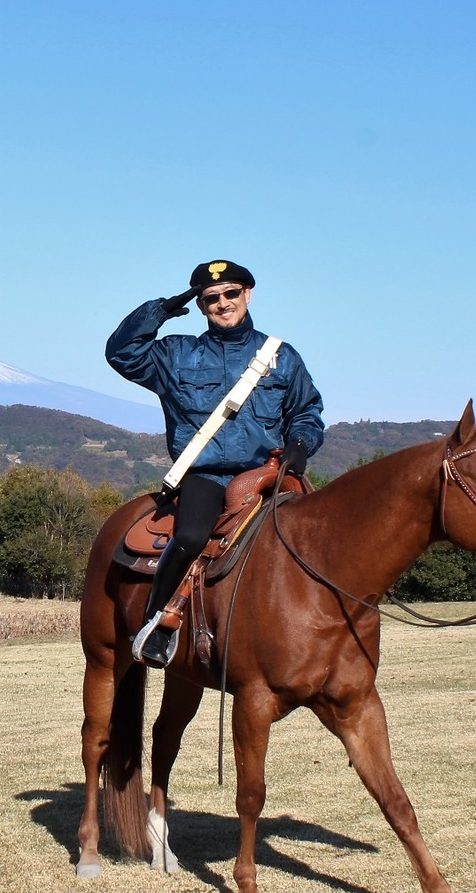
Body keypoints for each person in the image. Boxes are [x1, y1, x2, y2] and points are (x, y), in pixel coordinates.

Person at [105, 260, 324, 666]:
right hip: (204, 476)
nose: (223, 303)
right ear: (202, 305)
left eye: (231, 294)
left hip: (265, 475)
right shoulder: (175, 354)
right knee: (189, 537)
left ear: (247, 294)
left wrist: (300, 444)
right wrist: (163, 310)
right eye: (211, 298)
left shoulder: (282, 356)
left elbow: (307, 412)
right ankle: (157, 623)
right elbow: (121, 353)